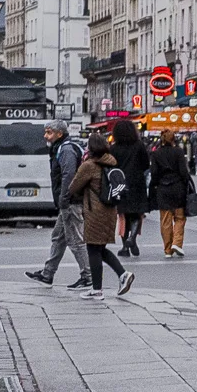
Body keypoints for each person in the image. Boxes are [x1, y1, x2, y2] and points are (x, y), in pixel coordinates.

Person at [26, 120, 92, 289]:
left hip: (71, 201)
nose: (45, 136)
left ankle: (88, 276)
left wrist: (64, 197)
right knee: (58, 237)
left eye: (49, 132)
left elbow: (68, 175)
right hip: (70, 200)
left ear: (59, 134)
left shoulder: (66, 149)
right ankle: (48, 274)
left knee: (75, 240)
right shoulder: (61, 147)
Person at [69, 133, 135, 299]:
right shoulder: (110, 162)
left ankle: (97, 290)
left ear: (91, 149)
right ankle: (123, 274)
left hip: (94, 211)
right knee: (100, 248)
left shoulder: (89, 165)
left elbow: (73, 187)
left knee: (93, 248)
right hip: (109, 210)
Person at [110, 119, 149, 257]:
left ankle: (125, 246)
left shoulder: (113, 148)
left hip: (120, 184)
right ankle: (132, 238)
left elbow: (111, 167)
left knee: (123, 214)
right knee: (136, 212)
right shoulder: (139, 145)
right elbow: (146, 164)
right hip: (137, 182)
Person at [150, 130, 190, 258]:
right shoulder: (178, 152)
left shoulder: (156, 153)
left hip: (163, 188)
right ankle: (177, 243)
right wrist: (185, 183)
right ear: (174, 139)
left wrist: (156, 185)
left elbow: (154, 173)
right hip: (177, 187)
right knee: (179, 218)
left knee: (165, 220)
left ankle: (167, 249)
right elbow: (184, 171)